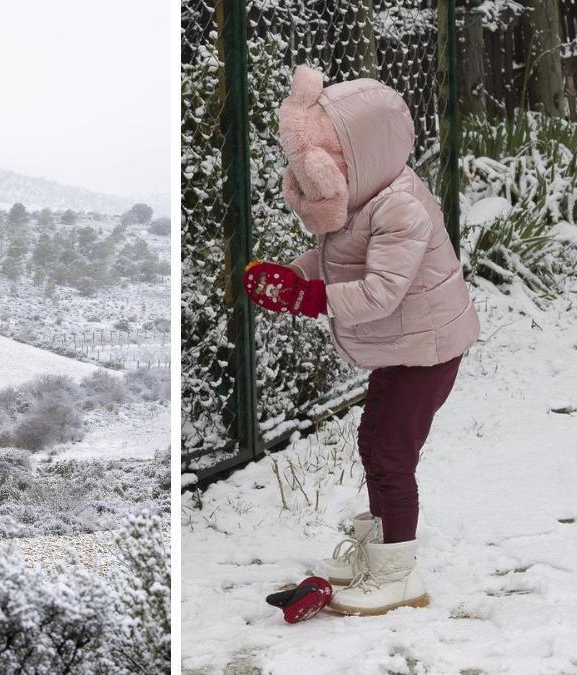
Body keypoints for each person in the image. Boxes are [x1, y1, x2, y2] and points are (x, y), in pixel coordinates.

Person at [243, 64, 480, 616]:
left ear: (364, 154)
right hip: (405, 347)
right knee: (374, 443)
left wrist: (310, 298)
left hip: (427, 349)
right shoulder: (365, 197)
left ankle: (399, 574)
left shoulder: (398, 205)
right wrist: (296, 276)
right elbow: (339, 260)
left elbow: (380, 292)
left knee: (392, 455)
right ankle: (379, 550)